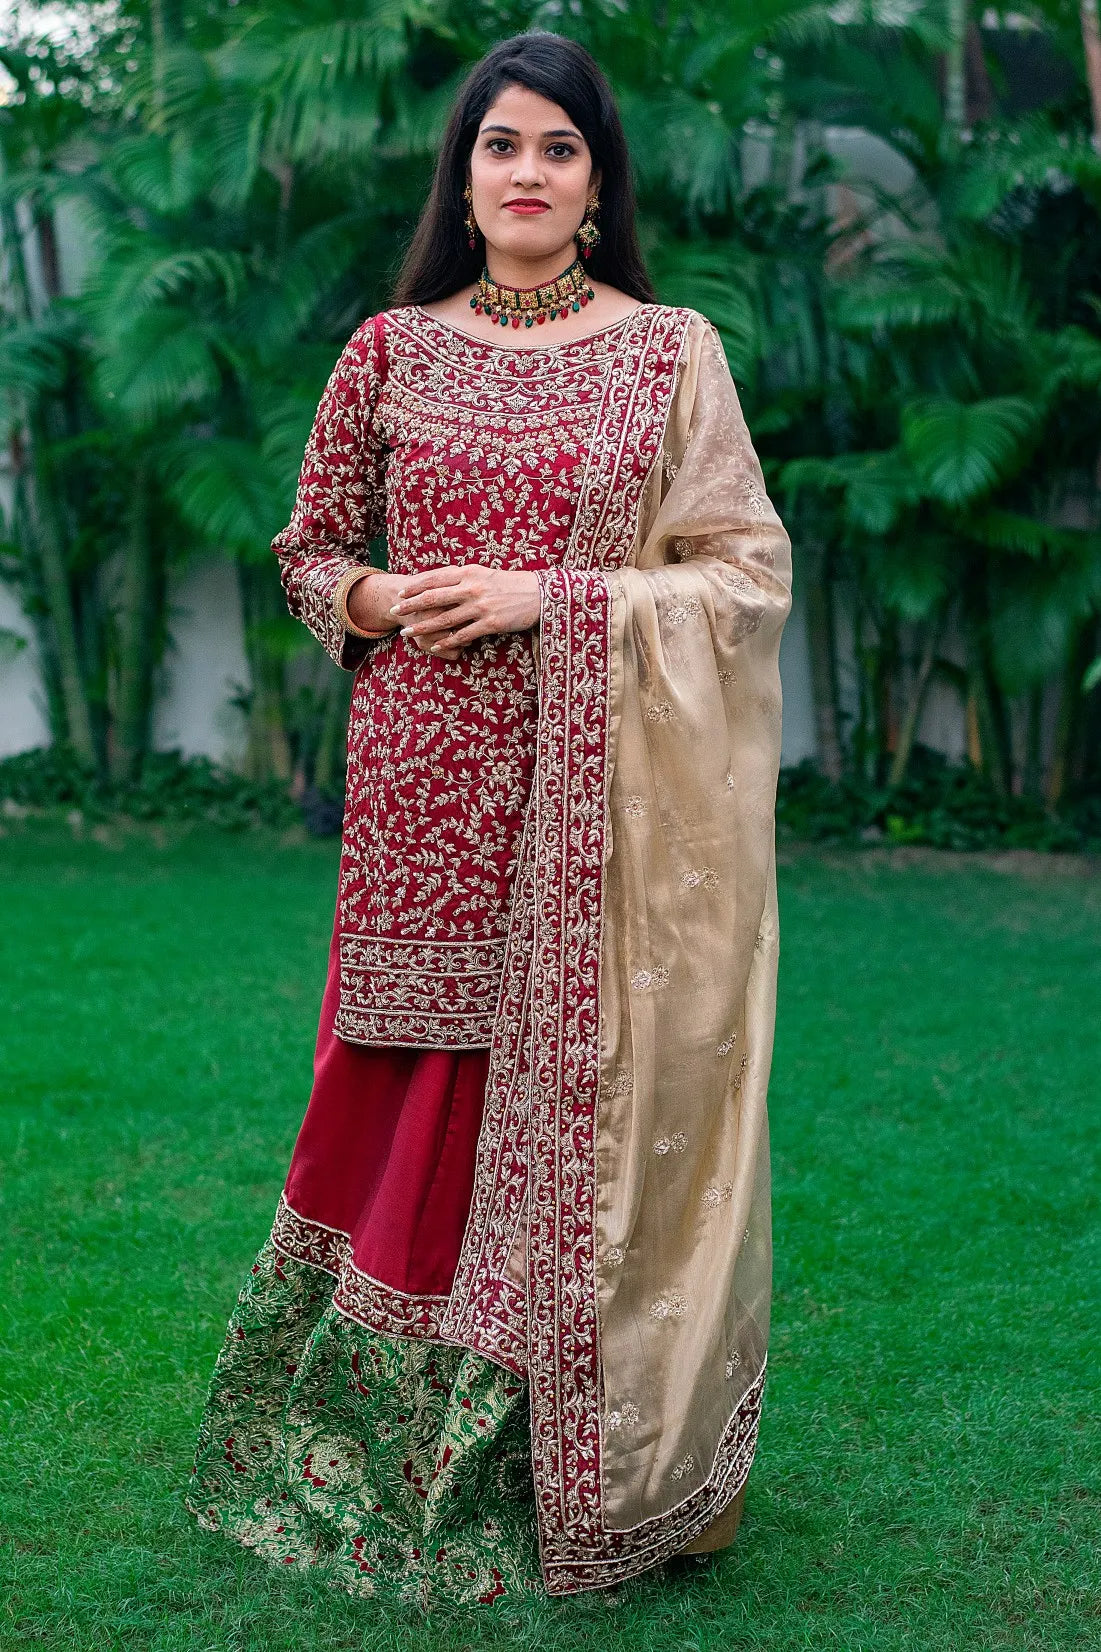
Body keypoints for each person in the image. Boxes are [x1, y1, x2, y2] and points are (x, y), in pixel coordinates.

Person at [183, 29, 793, 1610]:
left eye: (558, 148)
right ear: (464, 175)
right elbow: (309, 550)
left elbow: (742, 575)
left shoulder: (671, 354)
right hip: (419, 799)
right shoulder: (387, 349)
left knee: (573, 1108)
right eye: (500, 146)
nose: (525, 173)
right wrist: (376, 591)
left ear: (598, 184)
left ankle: (583, 1463)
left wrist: (558, 599)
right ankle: (386, 1453)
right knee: (411, 1102)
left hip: (604, 818)